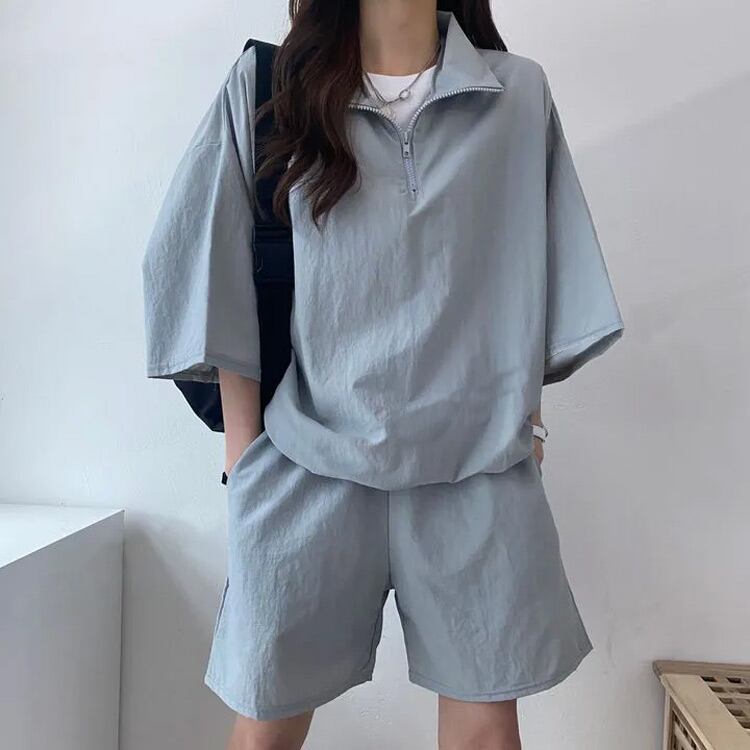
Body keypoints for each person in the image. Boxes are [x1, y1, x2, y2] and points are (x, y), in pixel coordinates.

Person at [141, 1, 624, 748]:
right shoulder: (272, 87)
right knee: (264, 730)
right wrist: (244, 458)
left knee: (485, 733)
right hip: (305, 463)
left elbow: (541, 264)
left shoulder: (517, 94)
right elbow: (210, 266)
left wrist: (527, 424)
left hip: (477, 472)